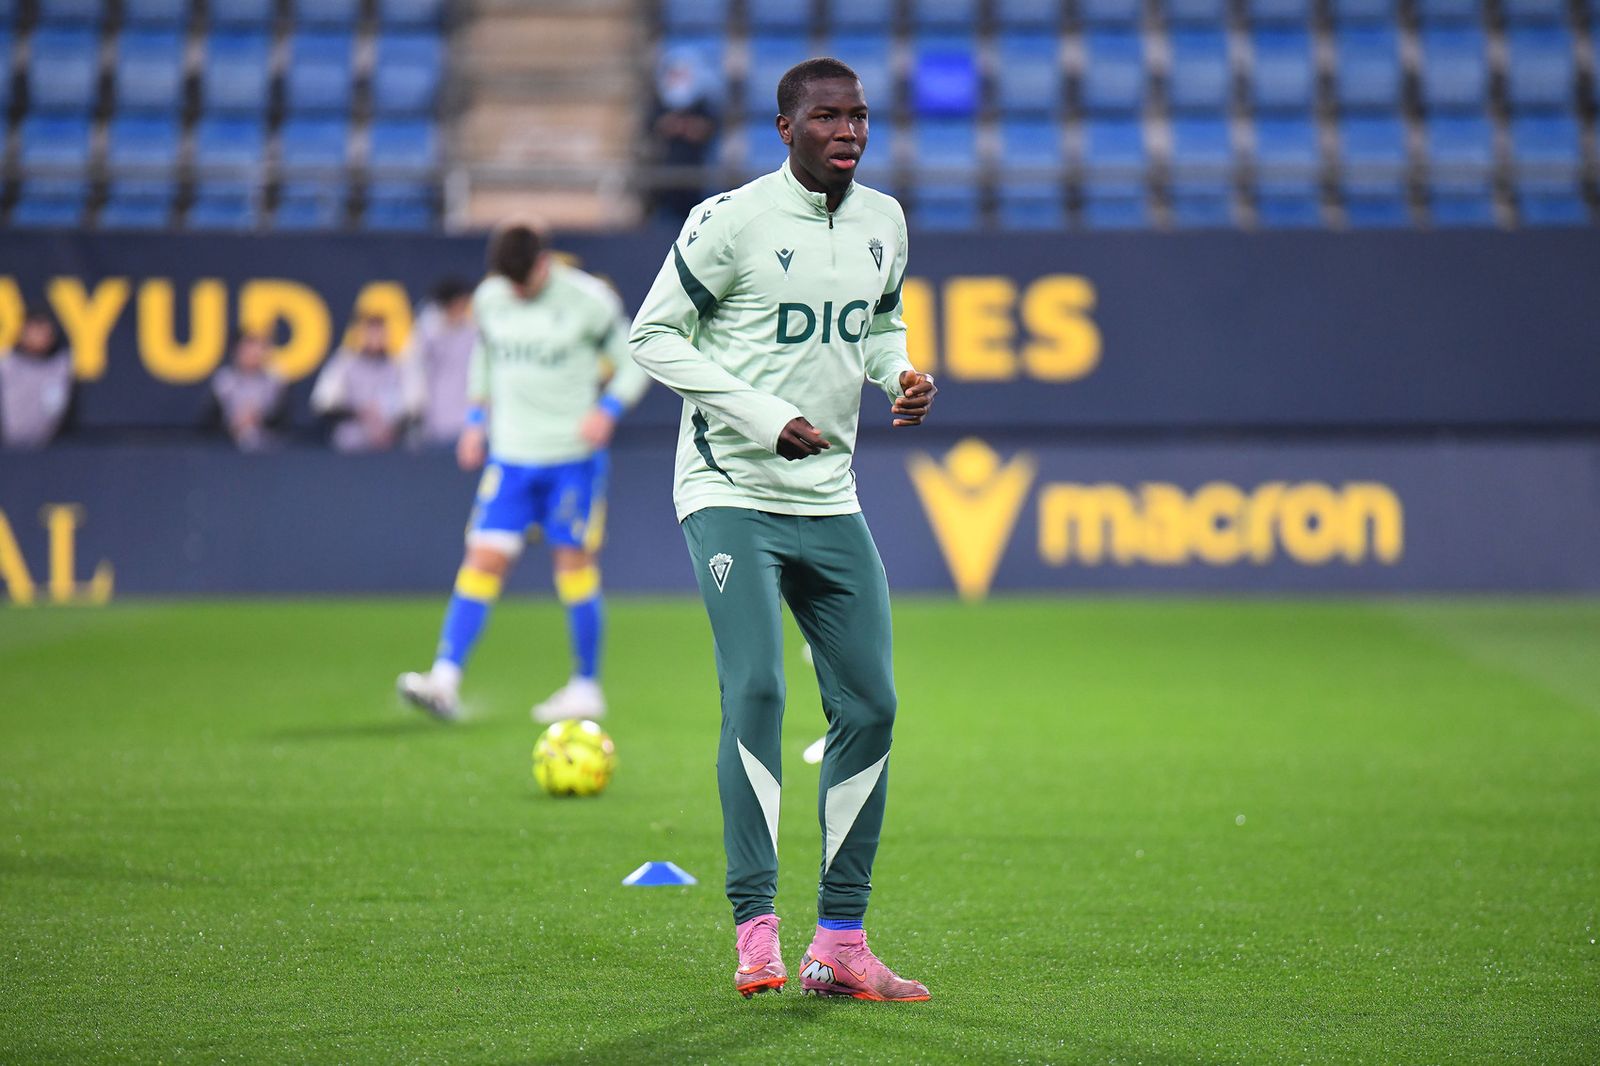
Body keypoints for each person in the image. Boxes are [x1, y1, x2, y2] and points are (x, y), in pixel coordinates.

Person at [628, 58, 939, 1002]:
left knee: (872, 707)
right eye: (827, 117)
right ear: (784, 128)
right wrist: (763, 418)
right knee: (757, 689)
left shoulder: (885, 220)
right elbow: (653, 335)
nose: (848, 131)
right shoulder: (729, 221)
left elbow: (877, 324)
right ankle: (755, 928)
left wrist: (899, 373)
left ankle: (840, 940)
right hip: (729, 487)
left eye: (859, 117)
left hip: (830, 497)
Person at [398, 221, 650, 723]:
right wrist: (475, 420)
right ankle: (444, 679)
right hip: (510, 458)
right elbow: (486, 357)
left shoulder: (589, 300)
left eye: (524, 282)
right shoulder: (491, 298)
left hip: (571, 459)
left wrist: (609, 409)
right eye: (507, 284)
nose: (515, 292)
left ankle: (585, 686)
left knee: (573, 567)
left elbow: (634, 361)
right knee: (483, 559)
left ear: (543, 263)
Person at [310, 313, 421, 453]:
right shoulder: (344, 364)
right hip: (350, 449)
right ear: (360, 335)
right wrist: (358, 412)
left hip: (388, 449)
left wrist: (389, 424)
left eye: (379, 333)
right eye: (370, 333)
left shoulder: (398, 367)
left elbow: (414, 407)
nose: (375, 339)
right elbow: (322, 403)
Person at [648, 46, 722, 224]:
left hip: (698, 172)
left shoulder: (703, 102)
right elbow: (656, 127)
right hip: (665, 175)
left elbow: (706, 130)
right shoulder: (660, 102)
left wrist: (683, 128)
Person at [405, 278, 478, 446]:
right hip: (436, 424)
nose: (463, 307)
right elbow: (413, 371)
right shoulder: (427, 334)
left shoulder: (472, 333)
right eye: (459, 303)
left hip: (468, 423)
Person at [0, 308, 75, 450]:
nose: (39, 338)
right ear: (22, 334)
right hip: (6, 450)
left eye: (44, 332)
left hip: (51, 450)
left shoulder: (62, 366)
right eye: (34, 331)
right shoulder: (6, 365)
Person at [210, 331, 288, 452]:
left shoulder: (275, 380)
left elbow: (282, 420)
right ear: (237, 352)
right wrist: (233, 423)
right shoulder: (224, 380)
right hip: (226, 446)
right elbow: (210, 419)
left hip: (269, 446)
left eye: (258, 352)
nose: (253, 356)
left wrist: (260, 417)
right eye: (248, 352)